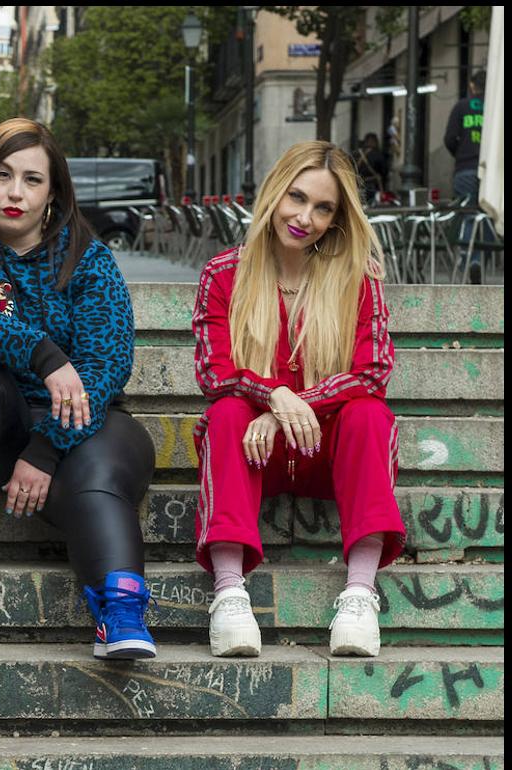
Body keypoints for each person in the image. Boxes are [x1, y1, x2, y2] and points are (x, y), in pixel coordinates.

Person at [0, 118, 158, 659]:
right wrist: (42, 354)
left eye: (32, 180)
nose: (15, 192)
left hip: (78, 433)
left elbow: (107, 364)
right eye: (1, 175)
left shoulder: (87, 259)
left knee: (97, 467)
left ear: (53, 192)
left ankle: (120, 607)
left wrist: (45, 450)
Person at [191, 140, 405, 659]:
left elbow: (372, 371)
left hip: (326, 455)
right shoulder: (225, 274)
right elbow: (213, 372)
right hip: (251, 456)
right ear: (273, 194)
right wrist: (270, 397)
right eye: (296, 197)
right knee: (226, 411)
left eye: (323, 207)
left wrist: (291, 405)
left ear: (337, 218)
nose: (304, 217)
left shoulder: (356, 278)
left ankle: (359, 593)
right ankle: (229, 594)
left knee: (369, 414)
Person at [444, 69, 486, 283]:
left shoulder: (461, 107)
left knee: (468, 214)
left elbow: (450, 138)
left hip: (466, 168)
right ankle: (486, 255)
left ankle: (471, 260)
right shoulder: (496, 109)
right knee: (488, 216)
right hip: (491, 173)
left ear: (471, 85)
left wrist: (461, 154)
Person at [353, 132, 386, 206]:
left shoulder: (356, 153)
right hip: (372, 185)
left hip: (357, 184)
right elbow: (383, 171)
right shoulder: (377, 155)